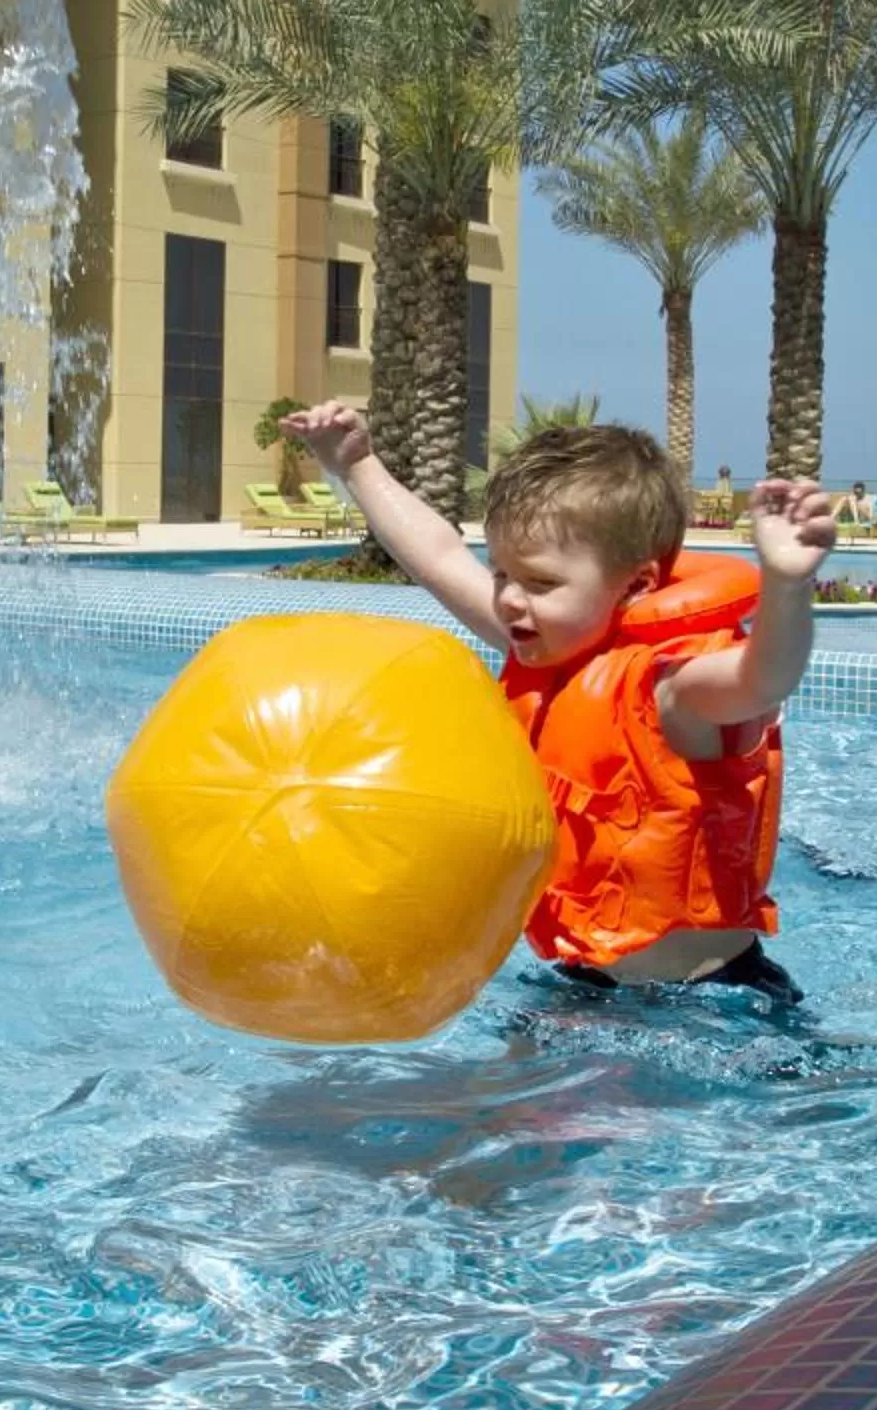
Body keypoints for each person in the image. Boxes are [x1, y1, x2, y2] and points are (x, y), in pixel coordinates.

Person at [283, 401, 835, 1005]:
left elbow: (765, 678)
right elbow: (439, 558)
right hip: (582, 984)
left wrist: (787, 583)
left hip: (713, 1004)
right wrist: (356, 465)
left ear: (637, 585)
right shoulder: (544, 645)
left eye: (541, 583)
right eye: (501, 573)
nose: (510, 600)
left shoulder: (673, 689)